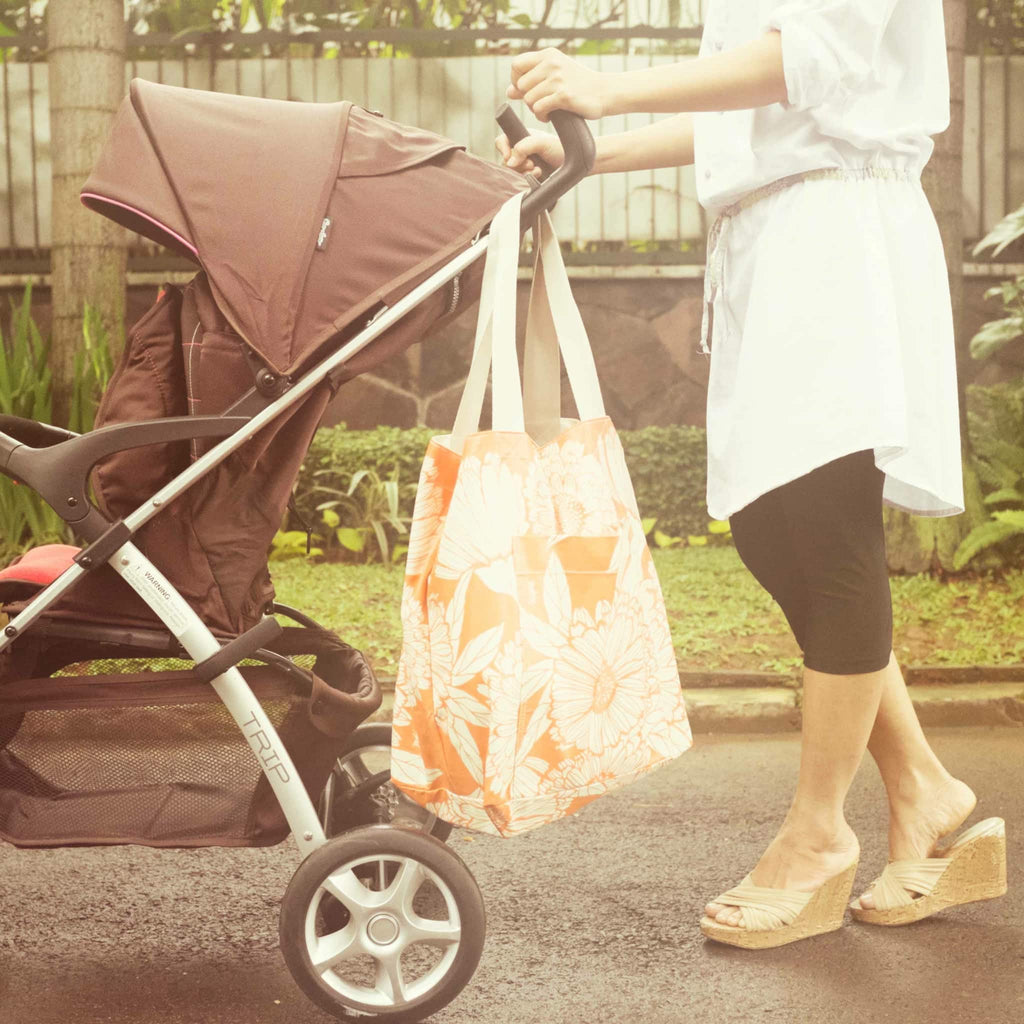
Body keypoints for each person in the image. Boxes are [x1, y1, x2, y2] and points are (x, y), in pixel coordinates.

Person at [496, 1, 1008, 949]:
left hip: (839, 240)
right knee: (772, 528)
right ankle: (926, 792)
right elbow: (751, 108)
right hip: (777, 242)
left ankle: (817, 837)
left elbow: (801, 62)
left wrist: (603, 88)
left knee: (825, 524)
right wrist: (593, 153)